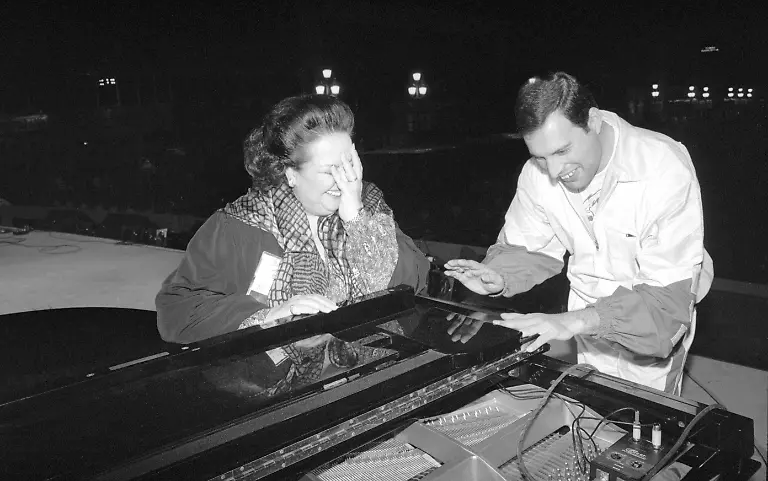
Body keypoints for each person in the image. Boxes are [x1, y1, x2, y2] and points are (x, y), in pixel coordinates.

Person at [444, 72, 713, 394]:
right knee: (593, 405)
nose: (555, 172)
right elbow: (529, 246)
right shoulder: (537, 174)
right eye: (541, 157)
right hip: (585, 314)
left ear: (594, 121)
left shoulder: (662, 166)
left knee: (648, 421)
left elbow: (666, 304)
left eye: (562, 151)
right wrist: (498, 276)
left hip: (650, 319)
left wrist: (570, 322)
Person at [157, 94, 430, 344]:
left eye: (349, 164)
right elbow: (177, 311)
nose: (344, 179)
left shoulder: (368, 205)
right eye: (328, 170)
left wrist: (358, 220)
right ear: (290, 173)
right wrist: (269, 316)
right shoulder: (239, 227)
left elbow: (415, 283)